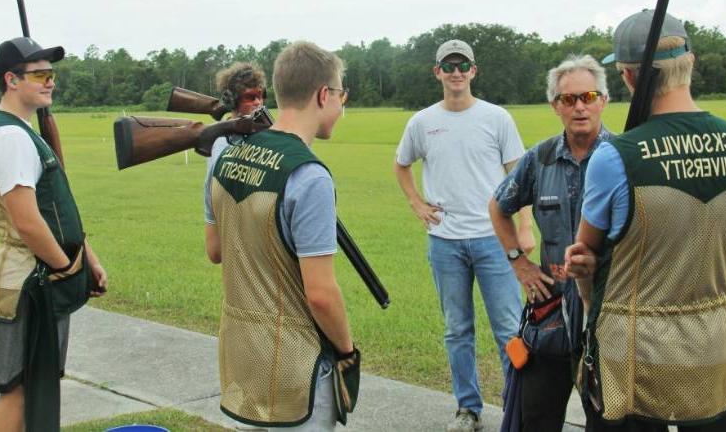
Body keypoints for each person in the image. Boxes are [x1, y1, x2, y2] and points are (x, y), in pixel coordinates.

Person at [565, 10, 726, 431]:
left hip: (631, 361)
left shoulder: (614, 157)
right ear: (690, 63)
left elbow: (585, 257)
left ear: (631, 78)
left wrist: (585, 293)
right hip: (715, 351)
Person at [206, 41, 357, 430]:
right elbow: (321, 295)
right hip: (297, 367)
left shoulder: (225, 157)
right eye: (341, 96)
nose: (341, 107)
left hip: (242, 358)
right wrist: (346, 350)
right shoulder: (309, 176)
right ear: (324, 95)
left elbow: (216, 249)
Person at [394, 39, 531, 432]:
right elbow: (401, 165)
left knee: (508, 327)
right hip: (445, 243)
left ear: (474, 71)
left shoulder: (497, 118)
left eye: (463, 65)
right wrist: (417, 204)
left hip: (495, 241)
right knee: (457, 330)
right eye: (448, 66)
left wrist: (523, 228)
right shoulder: (421, 122)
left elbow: (519, 178)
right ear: (437, 72)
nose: (456, 72)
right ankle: (468, 409)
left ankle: (515, 406)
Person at [0, 37, 107, 432]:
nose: (51, 82)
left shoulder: (22, 132)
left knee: (34, 388)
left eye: (51, 74)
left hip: (37, 275)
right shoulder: (12, 138)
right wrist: (66, 267)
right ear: (11, 80)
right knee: (18, 389)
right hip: (30, 279)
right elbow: (29, 222)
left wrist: (90, 258)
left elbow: (56, 210)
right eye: (40, 74)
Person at [490, 54, 613, 432]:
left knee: (611, 421)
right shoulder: (538, 159)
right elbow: (498, 206)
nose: (579, 106)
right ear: (555, 106)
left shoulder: (622, 158)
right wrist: (519, 263)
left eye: (588, 96)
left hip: (608, 317)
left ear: (603, 101)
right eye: (568, 99)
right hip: (551, 314)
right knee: (536, 420)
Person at [204, 61, 267, 263]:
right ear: (231, 101)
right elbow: (215, 253)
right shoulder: (220, 143)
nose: (258, 102)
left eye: (261, 95)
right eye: (250, 97)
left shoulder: (267, 136)